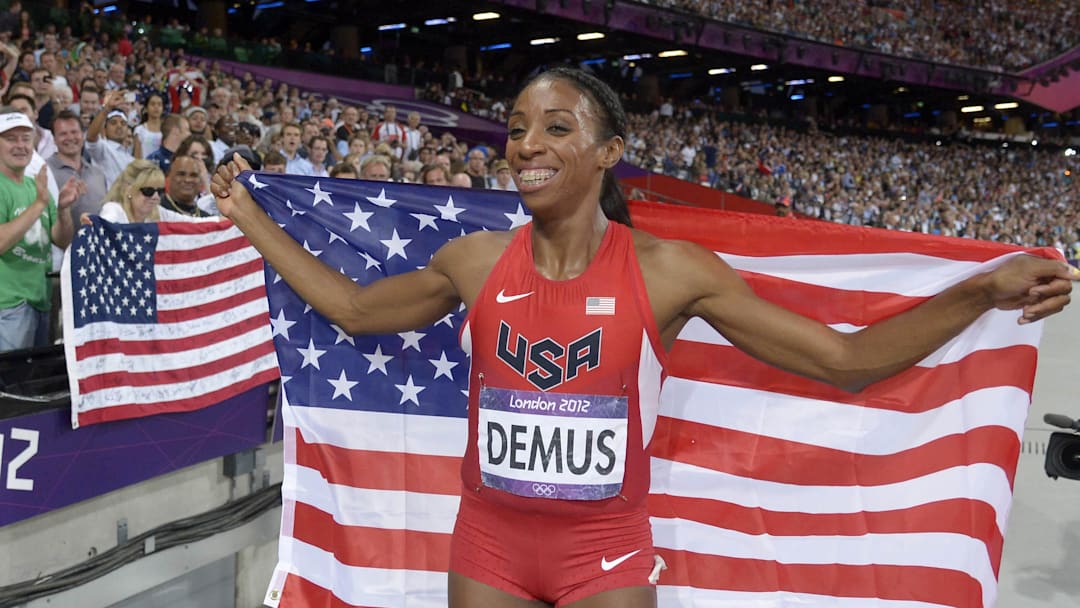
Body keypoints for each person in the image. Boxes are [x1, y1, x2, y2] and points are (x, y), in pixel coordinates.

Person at [212, 67, 1077, 608]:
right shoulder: (473, 261)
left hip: (606, 551)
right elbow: (359, 313)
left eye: (556, 127)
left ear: (608, 152)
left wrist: (981, 290)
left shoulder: (669, 272)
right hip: (487, 544)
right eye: (516, 126)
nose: (526, 145)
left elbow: (845, 361)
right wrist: (253, 220)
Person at [0, 110, 82, 351]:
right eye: (10, 139)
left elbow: (60, 239)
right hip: (8, 304)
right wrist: (38, 204)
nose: (20, 146)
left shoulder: (32, 184)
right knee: (10, 383)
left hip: (40, 299)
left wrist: (64, 209)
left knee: (34, 382)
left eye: (26, 138)